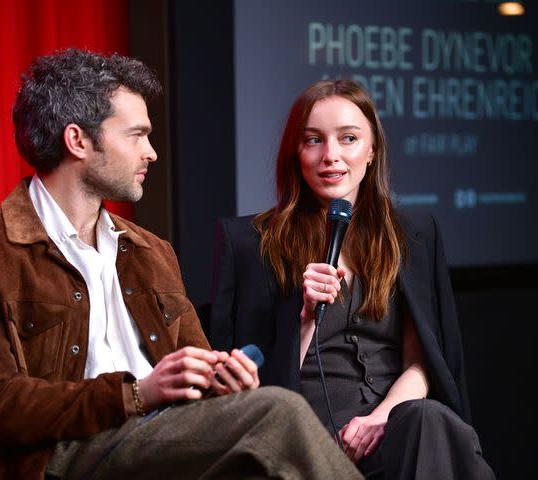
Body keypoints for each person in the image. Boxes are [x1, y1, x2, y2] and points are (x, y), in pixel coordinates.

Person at [0, 49, 362, 480]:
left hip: (164, 438)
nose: (151, 153)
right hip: (63, 456)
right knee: (278, 412)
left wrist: (221, 378)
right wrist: (136, 394)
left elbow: (202, 370)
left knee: (258, 451)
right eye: (136, 135)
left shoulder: (151, 251)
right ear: (77, 140)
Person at [208, 79, 495, 479]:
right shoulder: (248, 244)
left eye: (348, 138)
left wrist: (379, 419)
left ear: (372, 150)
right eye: (313, 140)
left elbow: (420, 362)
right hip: (308, 435)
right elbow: (243, 391)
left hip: (396, 424)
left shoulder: (414, 234)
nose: (331, 156)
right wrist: (305, 317)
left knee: (430, 421)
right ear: (296, 151)